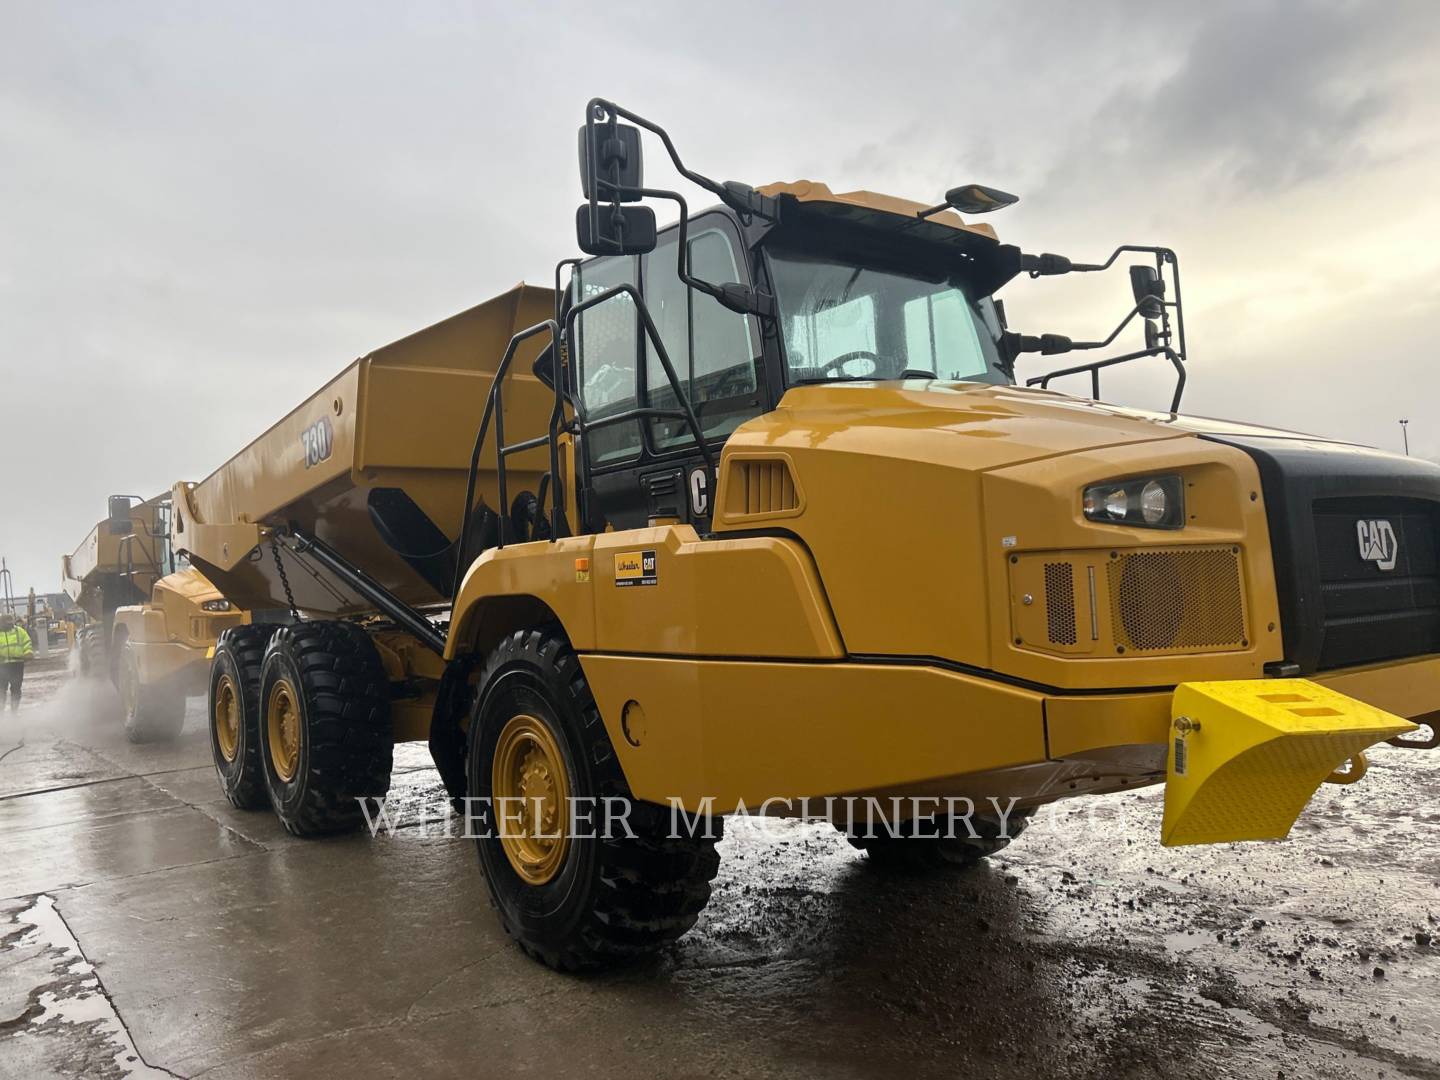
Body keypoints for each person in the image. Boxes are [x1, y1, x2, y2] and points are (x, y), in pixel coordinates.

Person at [0, 613, 34, 712]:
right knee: (1, 690)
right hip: (1, 666)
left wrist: (28, 653)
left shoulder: (20, 631)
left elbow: (27, 643)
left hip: (17, 664)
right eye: (6, 623)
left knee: (16, 689)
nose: (9, 624)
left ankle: (14, 711)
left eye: (10, 622)